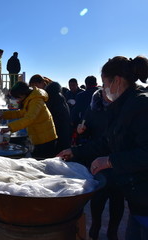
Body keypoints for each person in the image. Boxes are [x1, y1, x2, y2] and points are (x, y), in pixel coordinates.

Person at [57, 56, 148, 240]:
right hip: (137, 199)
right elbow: (107, 142)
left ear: (117, 81)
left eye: (105, 83)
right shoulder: (121, 106)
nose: (104, 89)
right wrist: (74, 151)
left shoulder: (141, 105)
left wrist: (109, 160)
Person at [76, 89, 124, 240]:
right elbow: (84, 129)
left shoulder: (123, 107)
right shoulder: (93, 107)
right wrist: (81, 131)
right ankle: (95, 227)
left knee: (117, 198)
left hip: (119, 159)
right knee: (99, 197)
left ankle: (113, 231)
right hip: (98, 158)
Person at [0, 81, 58, 158]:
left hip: (46, 139)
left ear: (23, 94)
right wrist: (4, 115)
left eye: (17, 97)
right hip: (38, 137)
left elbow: (30, 118)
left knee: (43, 164)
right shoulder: (29, 99)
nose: (17, 100)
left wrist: (10, 127)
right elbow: (21, 113)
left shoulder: (36, 100)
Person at [29, 75, 71, 154]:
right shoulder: (50, 95)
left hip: (57, 136)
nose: (34, 90)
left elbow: (56, 118)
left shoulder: (52, 96)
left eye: (34, 86)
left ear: (40, 83)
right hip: (57, 135)